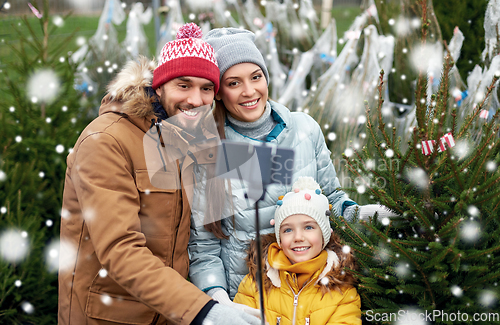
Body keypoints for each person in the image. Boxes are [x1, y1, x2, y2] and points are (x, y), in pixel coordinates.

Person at [58, 23, 260, 325]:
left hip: (168, 315)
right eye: (184, 85)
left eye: (206, 88)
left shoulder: (188, 138)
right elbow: (121, 250)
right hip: (107, 317)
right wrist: (203, 311)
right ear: (160, 85)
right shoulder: (107, 141)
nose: (195, 99)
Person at [188, 27, 397, 304]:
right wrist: (218, 300)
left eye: (256, 77)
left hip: (310, 295)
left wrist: (366, 214)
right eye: (234, 83)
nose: (249, 91)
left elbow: (330, 201)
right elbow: (204, 246)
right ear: (218, 92)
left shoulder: (304, 130)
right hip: (248, 300)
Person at [234, 177, 362, 325]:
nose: (298, 237)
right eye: (288, 230)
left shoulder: (343, 291)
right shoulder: (255, 283)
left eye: (308, 227)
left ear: (324, 235)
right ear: (279, 239)